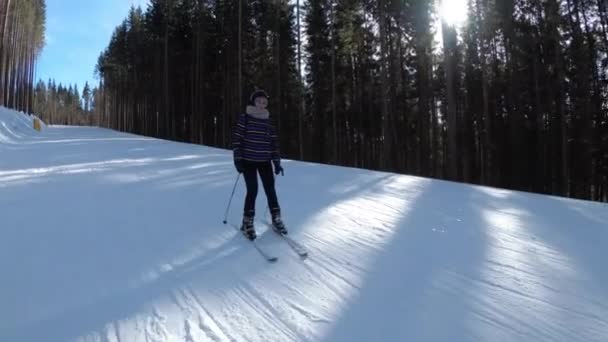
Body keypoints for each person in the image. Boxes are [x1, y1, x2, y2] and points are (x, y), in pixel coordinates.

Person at [232, 89, 287, 240]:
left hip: (265, 162)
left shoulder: (269, 122)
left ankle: (276, 218)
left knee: (270, 190)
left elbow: (274, 144)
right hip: (248, 161)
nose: (262, 104)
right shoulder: (246, 118)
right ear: (253, 102)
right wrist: (238, 159)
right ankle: (247, 222)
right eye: (259, 101)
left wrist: (276, 163)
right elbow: (237, 140)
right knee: (253, 190)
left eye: (264, 102)